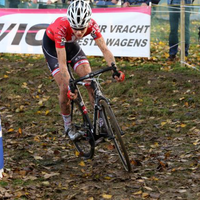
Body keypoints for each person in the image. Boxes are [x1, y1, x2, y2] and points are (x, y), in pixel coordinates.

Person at [42, 0, 124, 140]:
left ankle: (101, 121)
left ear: (87, 23)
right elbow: (62, 64)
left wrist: (115, 69)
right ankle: (68, 126)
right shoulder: (61, 28)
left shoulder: (92, 25)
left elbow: (104, 49)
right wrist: (69, 87)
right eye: (75, 28)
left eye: (82, 29)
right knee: (64, 87)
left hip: (71, 46)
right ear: (70, 23)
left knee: (89, 79)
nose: (79, 33)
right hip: (53, 48)